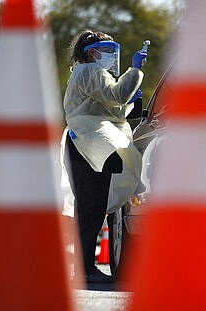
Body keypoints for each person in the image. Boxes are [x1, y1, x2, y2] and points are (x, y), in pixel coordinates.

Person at [63, 30, 147, 284]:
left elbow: (112, 106)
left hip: (90, 140)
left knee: (91, 206)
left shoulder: (85, 73)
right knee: (92, 207)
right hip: (92, 142)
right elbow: (116, 97)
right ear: (92, 52)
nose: (111, 55)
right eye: (106, 50)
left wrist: (131, 98)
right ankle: (86, 270)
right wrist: (134, 72)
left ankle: (85, 267)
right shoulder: (90, 71)